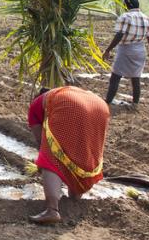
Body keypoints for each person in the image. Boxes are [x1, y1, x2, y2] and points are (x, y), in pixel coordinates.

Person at [26, 86, 110, 225]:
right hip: (100, 106)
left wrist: (43, 165)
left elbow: (40, 141)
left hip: (70, 104)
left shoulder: (36, 105)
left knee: (50, 156)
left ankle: (52, 210)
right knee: (83, 152)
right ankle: (75, 195)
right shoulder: (63, 92)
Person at [103, 0, 149, 108]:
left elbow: (119, 35)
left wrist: (108, 50)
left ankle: (108, 102)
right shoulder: (147, 19)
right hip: (139, 50)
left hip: (125, 49)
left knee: (116, 76)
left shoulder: (125, 17)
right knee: (136, 77)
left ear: (126, 5)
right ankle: (135, 103)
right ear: (138, 5)